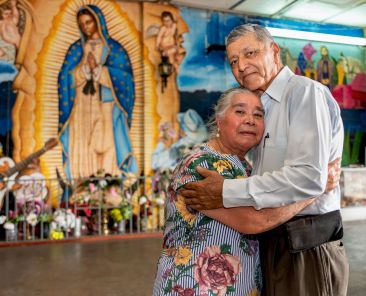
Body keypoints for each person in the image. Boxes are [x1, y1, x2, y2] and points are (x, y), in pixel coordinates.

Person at [181, 24, 348, 296]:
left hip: (306, 244)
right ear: (219, 121)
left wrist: (225, 191)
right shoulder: (263, 107)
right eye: (234, 61)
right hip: (271, 241)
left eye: (250, 53)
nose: (242, 65)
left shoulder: (304, 93)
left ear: (274, 51)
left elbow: (307, 177)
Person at [153, 88, 318, 296]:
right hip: (193, 288)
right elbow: (253, 222)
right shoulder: (200, 164)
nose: (250, 120)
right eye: (240, 112)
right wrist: (311, 193)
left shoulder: (247, 169)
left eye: (258, 114)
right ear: (219, 121)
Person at [58, 5, 137, 179]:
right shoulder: (76, 49)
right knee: (83, 145)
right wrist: (84, 70)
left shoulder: (114, 49)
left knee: (107, 145)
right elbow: (65, 77)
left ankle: (110, 187)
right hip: (81, 106)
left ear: (98, 22)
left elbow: (126, 79)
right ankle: (83, 189)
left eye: (88, 22)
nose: (85, 27)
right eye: (82, 24)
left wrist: (100, 71)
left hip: (106, 105)